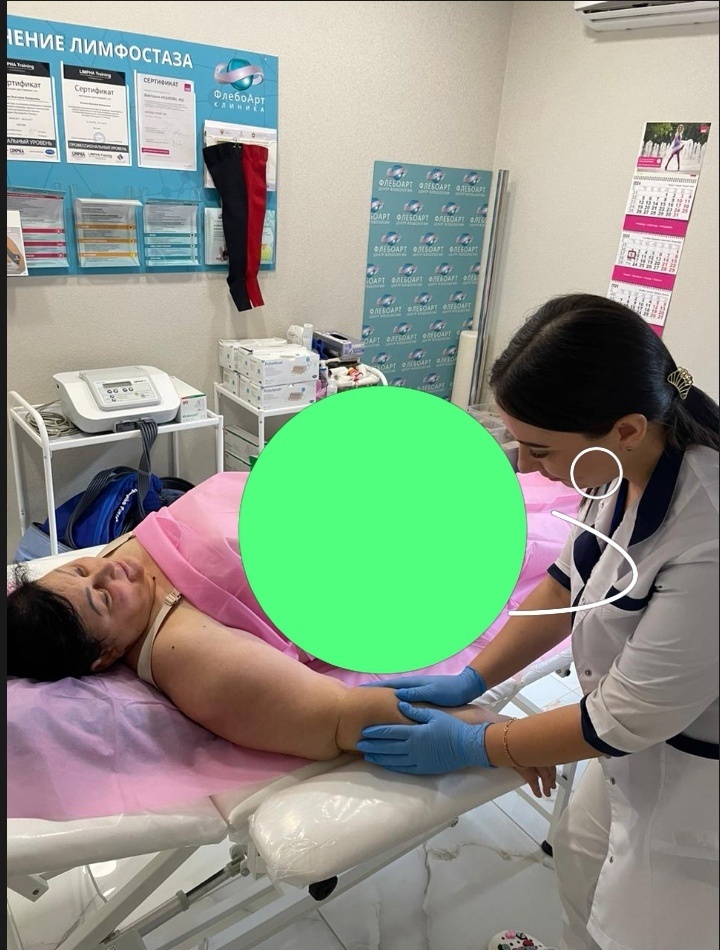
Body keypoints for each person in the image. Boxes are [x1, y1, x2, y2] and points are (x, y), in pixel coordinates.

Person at [357, 294, 719, 950]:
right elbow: (569, 580)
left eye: (538, 448)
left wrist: (481, 744)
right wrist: (474, 679)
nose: (524, 466)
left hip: (695, 787)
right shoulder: (620, 468)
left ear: (627, 428)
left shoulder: (709, 536)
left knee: (637, 930)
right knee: (580, 868)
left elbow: (621, 720)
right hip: (629, 755)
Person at [6, 472, 555, 798]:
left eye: (81, 568)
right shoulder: (189, 654)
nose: (108, 570)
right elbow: (338, 716)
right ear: (105, 656)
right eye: (101, 597)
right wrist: (488, 737)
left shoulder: (110, 575)